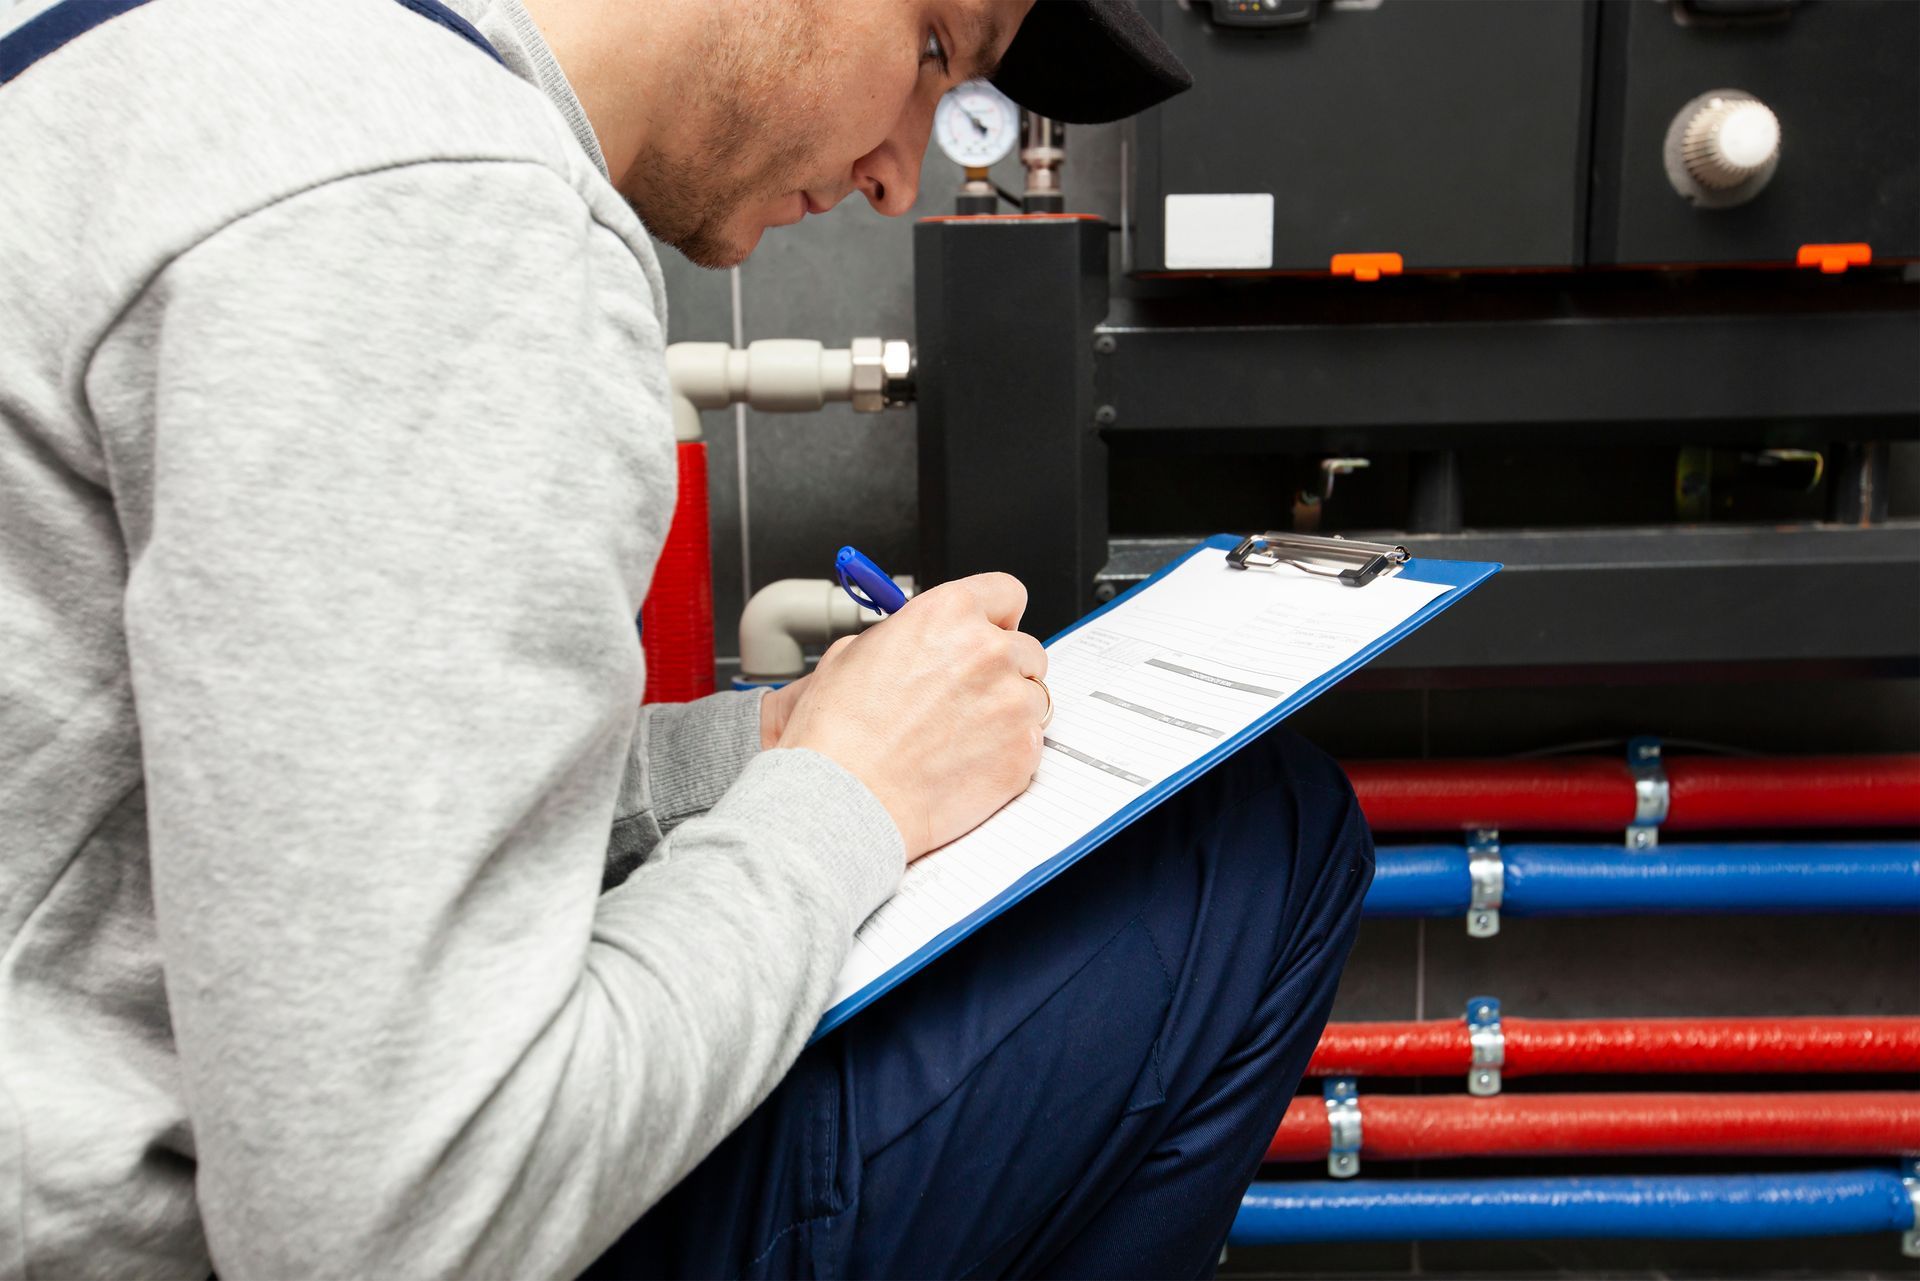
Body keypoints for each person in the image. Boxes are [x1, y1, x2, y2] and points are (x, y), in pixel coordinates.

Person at [0, 0, 1372, 1276]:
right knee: (1259, 836)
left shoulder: (199, 56)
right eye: (938, 47)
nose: (901, 174)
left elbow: (286, 814)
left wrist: (765, 743)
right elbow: (404, 1230)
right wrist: (848, 798)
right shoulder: (438, 208)